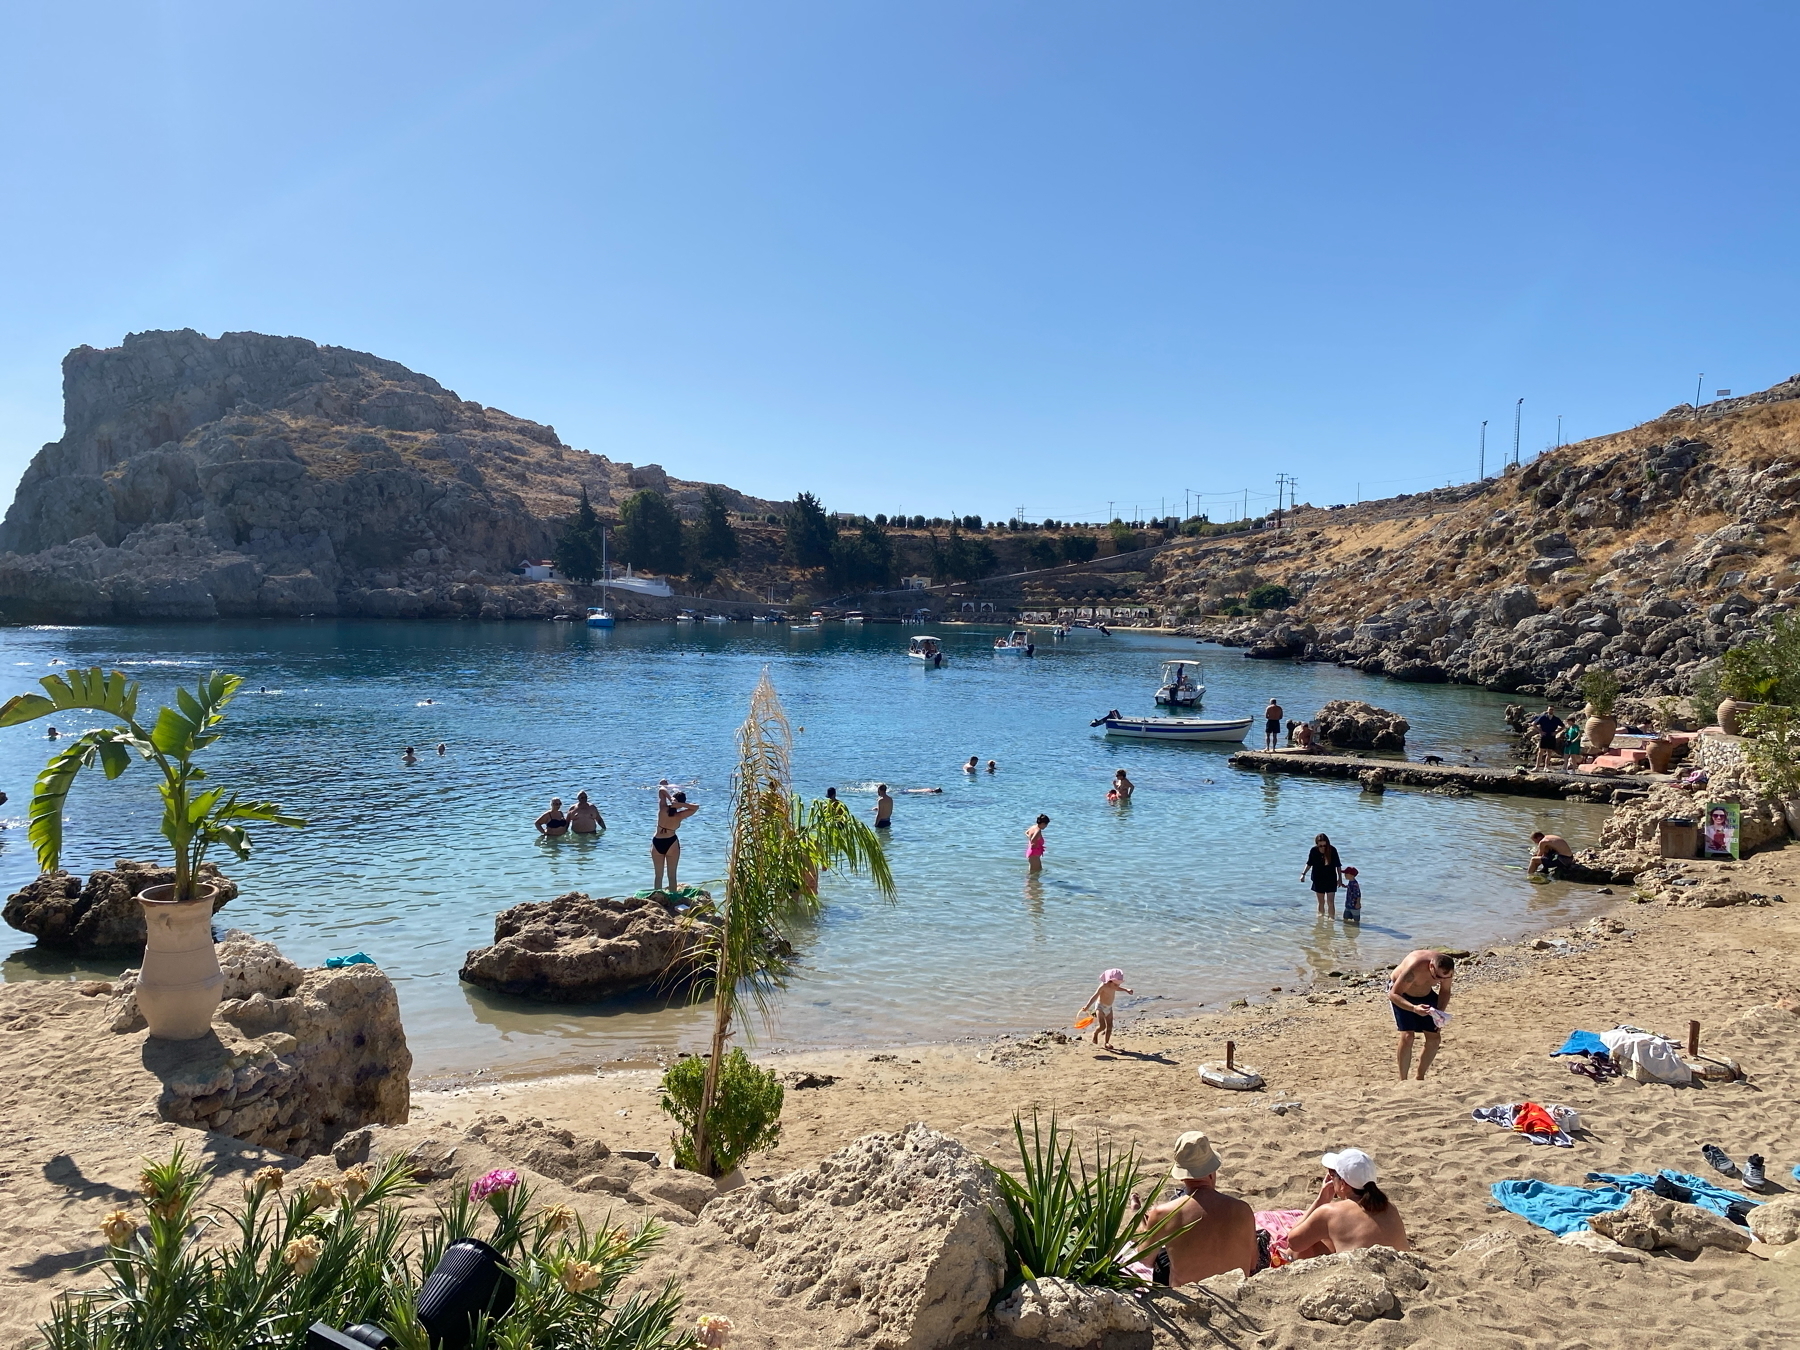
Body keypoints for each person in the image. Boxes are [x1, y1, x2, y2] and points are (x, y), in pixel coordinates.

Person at [1134, 1131, 1259, 1284]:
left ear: (1181, 1175)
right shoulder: (1243, 1210)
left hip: (1189, 1299)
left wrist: (1146, 1226)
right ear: (1212, 1172)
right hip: (1235, 1291)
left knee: (1162, 1251)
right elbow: (1253, 1263)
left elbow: (1144, 1261)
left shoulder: (1163, 1213)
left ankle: (1138, 1215)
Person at [1284, 1150, 1409, 1259]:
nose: (1330, 1178)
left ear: (1343, 1184)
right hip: (1400, 1271)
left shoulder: (1330, 1212)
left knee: (1298, 1251)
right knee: (1328, 1238)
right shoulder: (1390, 1207)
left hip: (1358, 1276)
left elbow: (1293, 1242)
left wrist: (1321, 1200)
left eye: (1332, 1174)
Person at [1389, 949, 1455, 1080]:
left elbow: (1445, 991)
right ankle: (1403, 1079)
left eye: (1444, 978)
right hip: (1402, 995)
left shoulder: (1446, 969)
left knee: (1434, 1037)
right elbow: (1393, 994)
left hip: (1426, 995)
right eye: (1437, 977)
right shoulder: (1415, 967)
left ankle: (1420, 1077)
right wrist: (1414, 1008)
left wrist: (1439, 1015)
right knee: (1408, 1036)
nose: (1440, 980)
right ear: (1431, 966)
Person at [653, 791, 699, 891]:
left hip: (657, 841)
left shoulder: (663, 808)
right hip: (672, 843)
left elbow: (661, 790)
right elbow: (696, 807)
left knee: (658, 876)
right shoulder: (680, 815)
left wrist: (671, 799)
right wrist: (681, 805)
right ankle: (673, 900)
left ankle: (657, 898)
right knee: (672, 875)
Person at [1080, 968, 1133, 1049]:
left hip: (1109, 1007)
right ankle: (1095, 1033)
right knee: (1102, 1026)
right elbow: (1094, 996)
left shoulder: (1114, 986)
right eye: (1115, 984)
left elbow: (1117, 988)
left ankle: (1106, 1043)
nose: (1117, 986)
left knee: (1110, 1026)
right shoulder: (1103, 986)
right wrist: (1087, 1006)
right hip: (1100, 1007)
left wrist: (1126, 990)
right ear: (1109, 981)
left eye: (1118, 984)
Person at [1301, 833, 1341, 917]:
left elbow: (1338, 865)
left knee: (1330, 902)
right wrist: (1303, 874)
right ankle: (1320, 919)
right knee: (1321, 902)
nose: (1323, 847)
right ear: (1317, 844)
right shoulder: (1313, 851)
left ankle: (1331, 919)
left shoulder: (1332, 850)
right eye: (1320, 846)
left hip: (1331, 879)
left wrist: (1340, 879)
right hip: (1318, 879)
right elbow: (1309, 864)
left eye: (1324, 845)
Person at [1531, 705, 1564, 770]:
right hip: (1544, 736)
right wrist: (1540, 731)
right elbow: (1533, 724)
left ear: (1554, 710)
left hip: (1551, 736)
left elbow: (1563, 726)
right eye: (1550, 709)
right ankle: (1537, 767)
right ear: (1547, 710)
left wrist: (1556, 732)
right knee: (1540, 752)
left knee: (1549, 752)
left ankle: (1546, 767)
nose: (1551, 710)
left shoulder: (1556, 719)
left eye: (1552, 709)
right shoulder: (1543, 717)